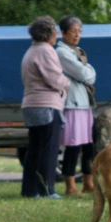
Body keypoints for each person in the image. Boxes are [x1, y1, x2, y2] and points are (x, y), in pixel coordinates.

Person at [20, 16, 71, 199]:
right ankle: (46, 189)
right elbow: (55, 79)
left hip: (31, 105)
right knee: (49, 149)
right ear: (48, 33)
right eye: (55, 32)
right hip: (46, 105)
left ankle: (29, 189)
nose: (57, 35)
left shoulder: (31, 51)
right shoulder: (46, 51)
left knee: (34, 148)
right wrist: (67, 82)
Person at [55, 15, 97, 196]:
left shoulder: (77, 50)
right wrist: (90, 71)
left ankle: (89, 183)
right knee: (73, 146)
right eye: (73, 31)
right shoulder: (62, 52)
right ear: (63, 32)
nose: (77, 35)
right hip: (72, 104)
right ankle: (70, 186)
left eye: (79, 31)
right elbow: (85, 74)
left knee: (88, 145)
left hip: (84, 103)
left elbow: (86, 73)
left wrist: (88, 72)